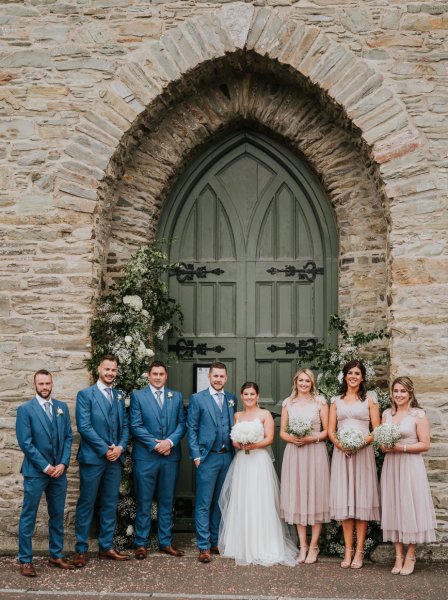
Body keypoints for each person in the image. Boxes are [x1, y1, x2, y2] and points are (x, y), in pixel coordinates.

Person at [218, 382, 297, 566]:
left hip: (259, 461)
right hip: (243, 462)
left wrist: (253, 445)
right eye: (246, 394)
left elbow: (269, 438)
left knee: (260, 500)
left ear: (258, 396)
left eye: (252, 394)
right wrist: (240, 444)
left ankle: (264, 545)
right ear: (241, 395)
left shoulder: (265, 414)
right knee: (243, 499)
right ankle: (241, 545)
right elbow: (233, 439)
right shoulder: (237, 415)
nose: (249, 397)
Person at [73, 354, 130, 567]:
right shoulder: (85, 395)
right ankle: (81, 549)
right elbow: (84, 426)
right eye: (107, 369)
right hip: (93, 458)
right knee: (87, 503)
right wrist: (105, 449)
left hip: (114, 459)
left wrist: (121, 446)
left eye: (113, 370)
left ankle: (106, 547)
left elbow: (125, 426)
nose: (110, 373)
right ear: (99, 369)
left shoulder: (118, 395)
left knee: (109, 503)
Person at [16, 369, 74, 577]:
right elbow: (26, 443)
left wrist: (63, 464)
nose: (44, 387)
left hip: (59, 472)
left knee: (57, 514)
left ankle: (56, 554)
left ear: (52, 384)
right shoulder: (26, 410)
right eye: (41, 384)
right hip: (36, 472)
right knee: (28, 516)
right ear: (35, 385)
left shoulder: (61, 407)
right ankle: (25, 560)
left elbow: (68, 437)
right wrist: (45, 466)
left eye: (47, 383)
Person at [380, 376, 436, 576]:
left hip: (410, 466)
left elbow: (425, 444)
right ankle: (397, 555)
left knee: (409, 506)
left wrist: (401, 447)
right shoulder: (387, 414)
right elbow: (381, 443)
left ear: (410, 393)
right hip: (391, 466)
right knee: (394, 505)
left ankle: (410, 554)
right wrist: (385, 447)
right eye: (395, 391)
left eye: (403, 391)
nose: (399, 395)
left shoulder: (418, 415)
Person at [130, 360, 186, 559]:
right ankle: (141, 543)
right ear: (149, 375)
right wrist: (156, 445)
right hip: (146, 457)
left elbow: (182, 424)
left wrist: (169, 443)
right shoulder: (138, 396)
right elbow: (135, 425)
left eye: (161, 374)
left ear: (166, 376)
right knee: (144, 501)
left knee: (166, 500)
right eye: (155, 373)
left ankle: (165, 542)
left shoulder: (176, 396)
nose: (158, 377)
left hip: (170, 457)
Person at [328, 360, 380, 569]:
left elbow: (376, 430)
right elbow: (331, 430)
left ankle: (359, 553)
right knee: (345, 503)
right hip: (342, 455)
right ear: (345, 376)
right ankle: (348, 551)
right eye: (350, 373)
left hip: (362, 453)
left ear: (362, 377)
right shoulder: (336, 401)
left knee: (361, 501)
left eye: (357, 373)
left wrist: (359, 443)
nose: (353, 376)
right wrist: (341, 445)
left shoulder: (370, 400)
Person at [186, 362, 236, 563]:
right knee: (204, 503)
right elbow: (192, 429)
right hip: (207, 458)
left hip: (227, 456)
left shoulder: (231, 399)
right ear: (209, 377)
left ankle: (215, 540)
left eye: (221, 376)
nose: (218, 380)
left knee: (220, 501)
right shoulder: (198, 399)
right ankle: (203, 545)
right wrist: (196, 456)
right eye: (215, 376)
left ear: (226, 378)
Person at [280, 368, 330, 564]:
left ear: (312, 383)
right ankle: (303, 546)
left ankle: (314, 546)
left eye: (307, 381)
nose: (304, 384)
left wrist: (311, 438)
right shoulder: (288, 403)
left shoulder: (320, 402)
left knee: (316, 496)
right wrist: (293, 438)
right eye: (301, 380)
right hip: (295, 453)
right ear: (296, 382)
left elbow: (327, 431)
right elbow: (282, 432)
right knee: (299, 496)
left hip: (315, 452)